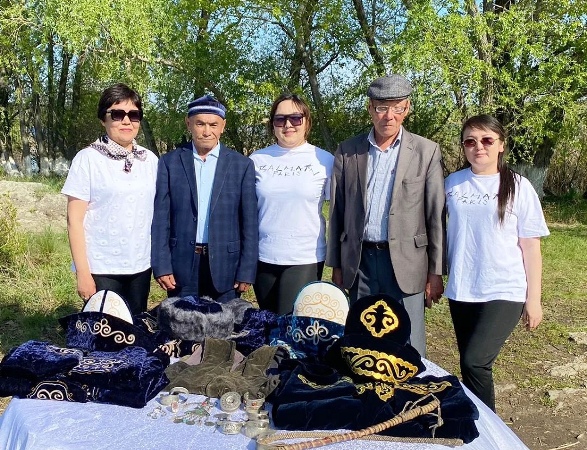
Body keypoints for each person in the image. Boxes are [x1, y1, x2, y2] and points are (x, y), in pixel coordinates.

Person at [326, 74, 446, 357]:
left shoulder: (426, 151)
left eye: (397, 108)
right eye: (381, 107)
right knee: (360, 340)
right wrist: (337, 264)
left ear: (407, 108)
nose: (389, 116)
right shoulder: (348, 151)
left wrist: (436, 271)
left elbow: (435, 216)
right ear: (370, 108)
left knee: (409, 344)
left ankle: (411, 383)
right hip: (360, 263)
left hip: (407, 262)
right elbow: (338, 211)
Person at [445, 114, 549, 411]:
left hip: (504, 288)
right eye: (470, 141)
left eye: (487, 140)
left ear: (501, 145)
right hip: (463, 288)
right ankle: (475, 424)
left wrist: (534, 300)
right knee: (470, 366)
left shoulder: (519, 186)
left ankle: (489, 430)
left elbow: (531, 247)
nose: (479, 146)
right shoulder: (452, 184)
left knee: (475, 361)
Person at [61, 83, 159, 315]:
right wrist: (83, 273)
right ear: (103, 119)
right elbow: (74, 221)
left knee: (135, 329)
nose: (126, 121)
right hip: (101, 267)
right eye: (117, 114)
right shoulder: (87, 159)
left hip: (140, 265)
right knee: (103, 332)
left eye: (133, 115)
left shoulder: (150, 160)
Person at [151, 95, 258, 302]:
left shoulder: (241, 165)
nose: (207, 131)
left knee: (224, 321)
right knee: (182, 320)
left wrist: (246, 269)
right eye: (200, 124)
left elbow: (249, 222)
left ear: (223, 126)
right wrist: (162, 265)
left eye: (213, 125)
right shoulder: (170, 162)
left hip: (226, 266)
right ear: (188, 123)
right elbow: (161, 219)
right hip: (181, 266)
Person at [249, 93, 334, 314]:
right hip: (263, 256)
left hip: (304, 257)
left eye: (295, 118)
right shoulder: (256, 160)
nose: (288, 125)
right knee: (269, 323)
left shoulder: (324, 160)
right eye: (280, 119)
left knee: (290, 322)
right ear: (272, 124)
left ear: (306, 122)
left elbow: (339, 213)